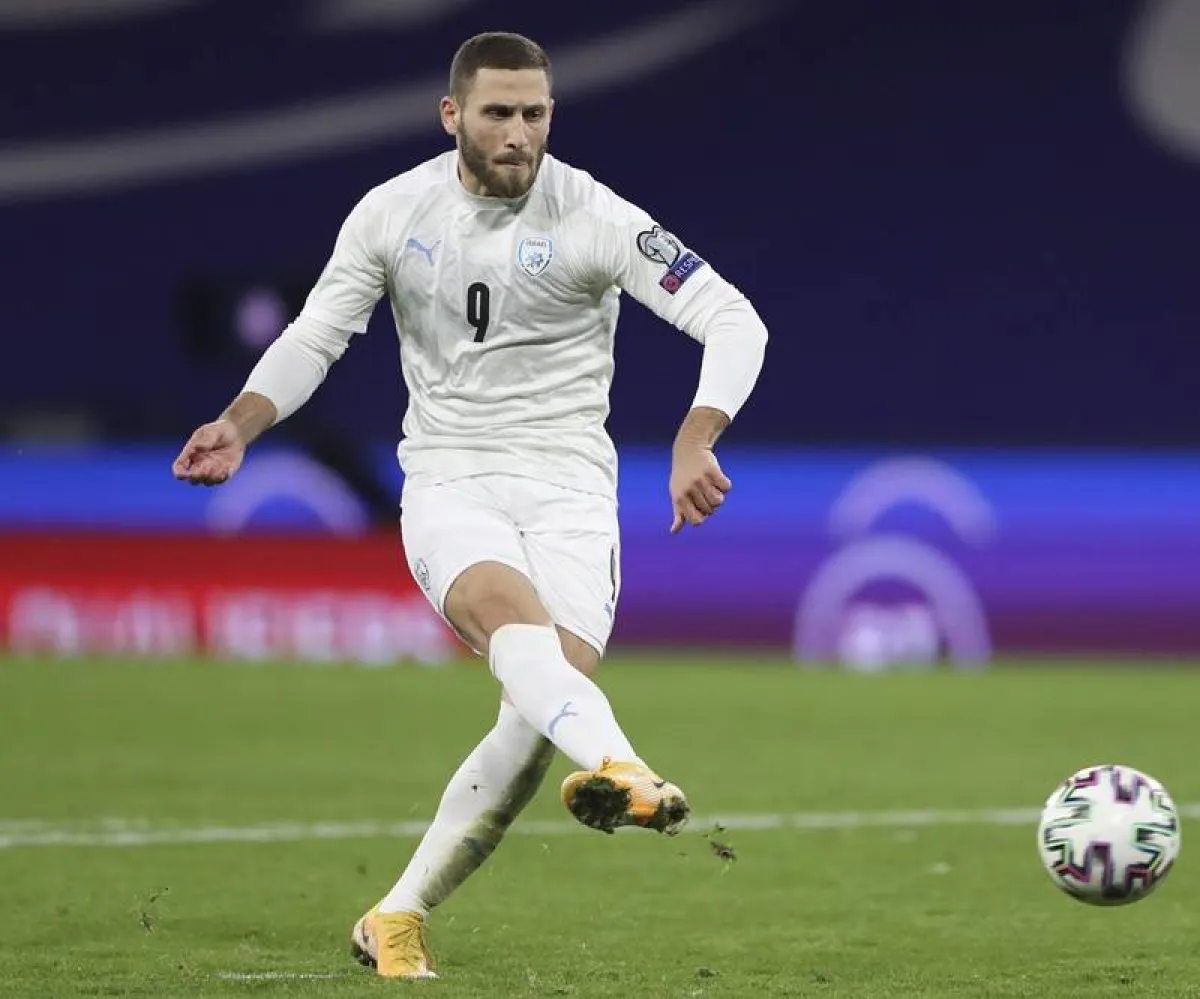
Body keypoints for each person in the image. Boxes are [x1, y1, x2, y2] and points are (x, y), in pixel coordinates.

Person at [171, 30, 768, 980]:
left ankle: (395, 914)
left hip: (572, 489)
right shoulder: (394, 213)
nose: (519, 133)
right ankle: (624, 767)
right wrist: (241, 421)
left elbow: (733, 318)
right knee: (512, 624)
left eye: (535, 113)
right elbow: (316, 333)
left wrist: (696, 436)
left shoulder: (595, 215)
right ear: (453, 114)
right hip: (453, 477)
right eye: (498, 112)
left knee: (535, 720)